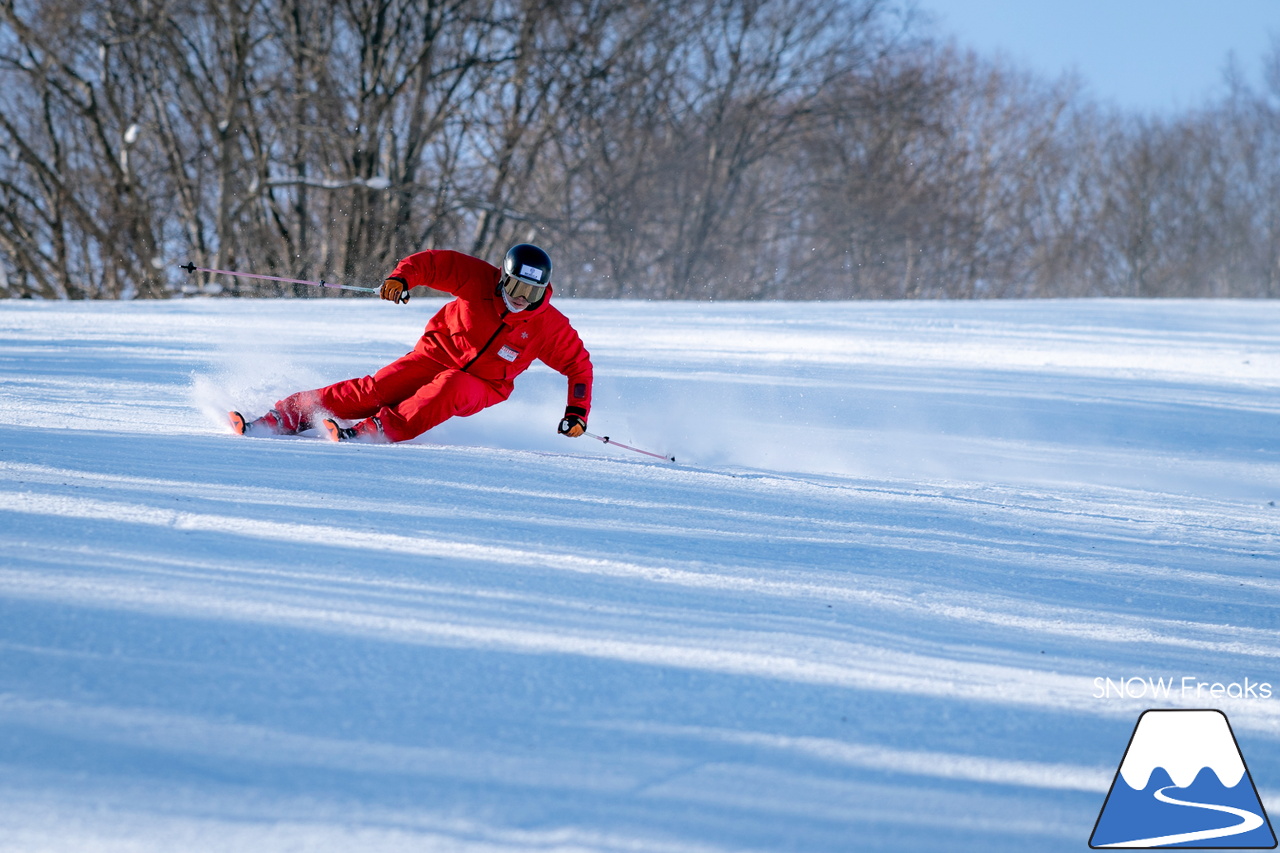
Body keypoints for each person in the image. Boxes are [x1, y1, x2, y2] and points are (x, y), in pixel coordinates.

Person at [229, 243, 592, 444]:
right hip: (434, 355)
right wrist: (401, 279)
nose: (521, 299)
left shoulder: (548, 326)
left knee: (451, 386)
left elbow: (579, 368)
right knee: (374, 390)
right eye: (516, 287)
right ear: (502, 278)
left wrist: (576, 412)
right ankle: (285, 414)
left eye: (532, 292)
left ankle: (378, 430)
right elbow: (433, 264)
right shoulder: (478, 277)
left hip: (483, 384)